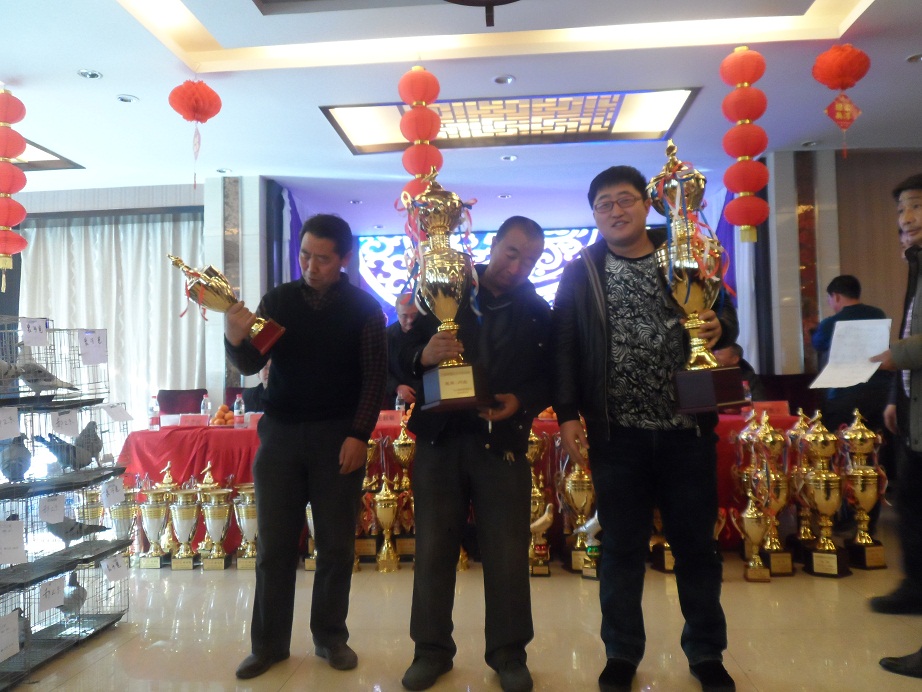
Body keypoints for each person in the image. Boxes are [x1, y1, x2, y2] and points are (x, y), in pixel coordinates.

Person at [552, 165, 737, 692]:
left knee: (696, 548)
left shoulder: (685, 252)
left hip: (687, 432)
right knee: (621, 549)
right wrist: (567, 414)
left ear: (647, 203)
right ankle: (621, 653)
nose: (616, 210)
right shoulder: (582, 270)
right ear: (594, 214)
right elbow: (565, 345)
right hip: (619, 436)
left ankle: (706, 653)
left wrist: (721, 327)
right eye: (604, 204)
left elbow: (726, 320)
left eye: (625, 199)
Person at [225, 213, 386, 680]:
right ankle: (268, 645)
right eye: (304, 255)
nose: (311, 267)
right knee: (274, 547)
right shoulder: (279, 301)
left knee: (335, 546)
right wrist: (234, 334)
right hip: (280, 434)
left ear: (344, 259)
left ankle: (330, 637)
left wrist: (359, 435)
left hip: (338, 436)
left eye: (322, 259)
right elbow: (251, 361)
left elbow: (374, 379)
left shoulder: (364, 308)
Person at [397, 215, 551, 692]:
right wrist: (422, 356)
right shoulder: (443, 289)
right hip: (440, 440)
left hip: (501, 442)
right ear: (494, 245)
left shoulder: (537, 311)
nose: (518, 266)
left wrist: (521, 400)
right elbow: (396, 351)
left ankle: (509, 655)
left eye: (530, 260)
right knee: (433, 549)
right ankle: (430, 651)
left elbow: (551, 375)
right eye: (512, 253)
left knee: (507, 552)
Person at [869, 173, 922, 679]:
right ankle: (915, 588)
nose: (906, 219)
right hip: (911, 411)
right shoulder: (916, 265)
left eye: (916, 207)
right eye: (901, 210)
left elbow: (907, 345)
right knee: (911, 505)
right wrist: (895, 395)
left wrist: (895, 356)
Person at [811, 275, 890, 431]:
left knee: (842, 441)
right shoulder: (878, 314)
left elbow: (817, 344)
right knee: (877, 440)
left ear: (836, 296)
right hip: (880, 391)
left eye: (829, 299)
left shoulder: (831, 323)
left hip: (845, 396)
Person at [384, 293, 422, 408]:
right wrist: (396, 387)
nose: (410, 320)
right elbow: (379, 369)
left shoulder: (430, 332)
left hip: (429, 394)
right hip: (400, 399)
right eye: (404, 316)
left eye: (414, 315)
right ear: (397, 314)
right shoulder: (386, 336)